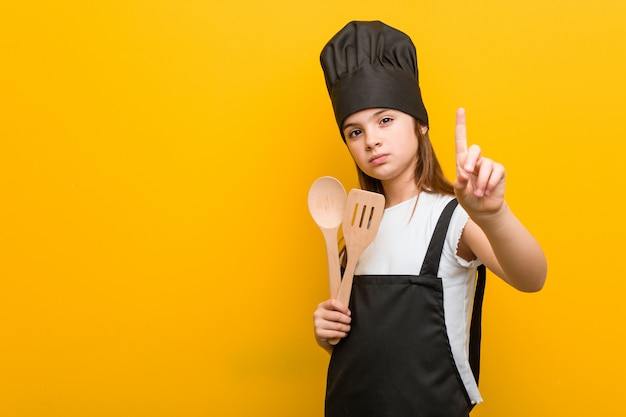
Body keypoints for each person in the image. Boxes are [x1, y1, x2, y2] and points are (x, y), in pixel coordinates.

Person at [312, 21, 547, 417]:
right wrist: (326, 329)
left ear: (420, 123)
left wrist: (494, 214)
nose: (371, 140)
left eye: (385, 120)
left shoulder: (452, 217)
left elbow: (532, 278)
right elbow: (355, 345)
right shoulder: (355, 230)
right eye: (355, 131)